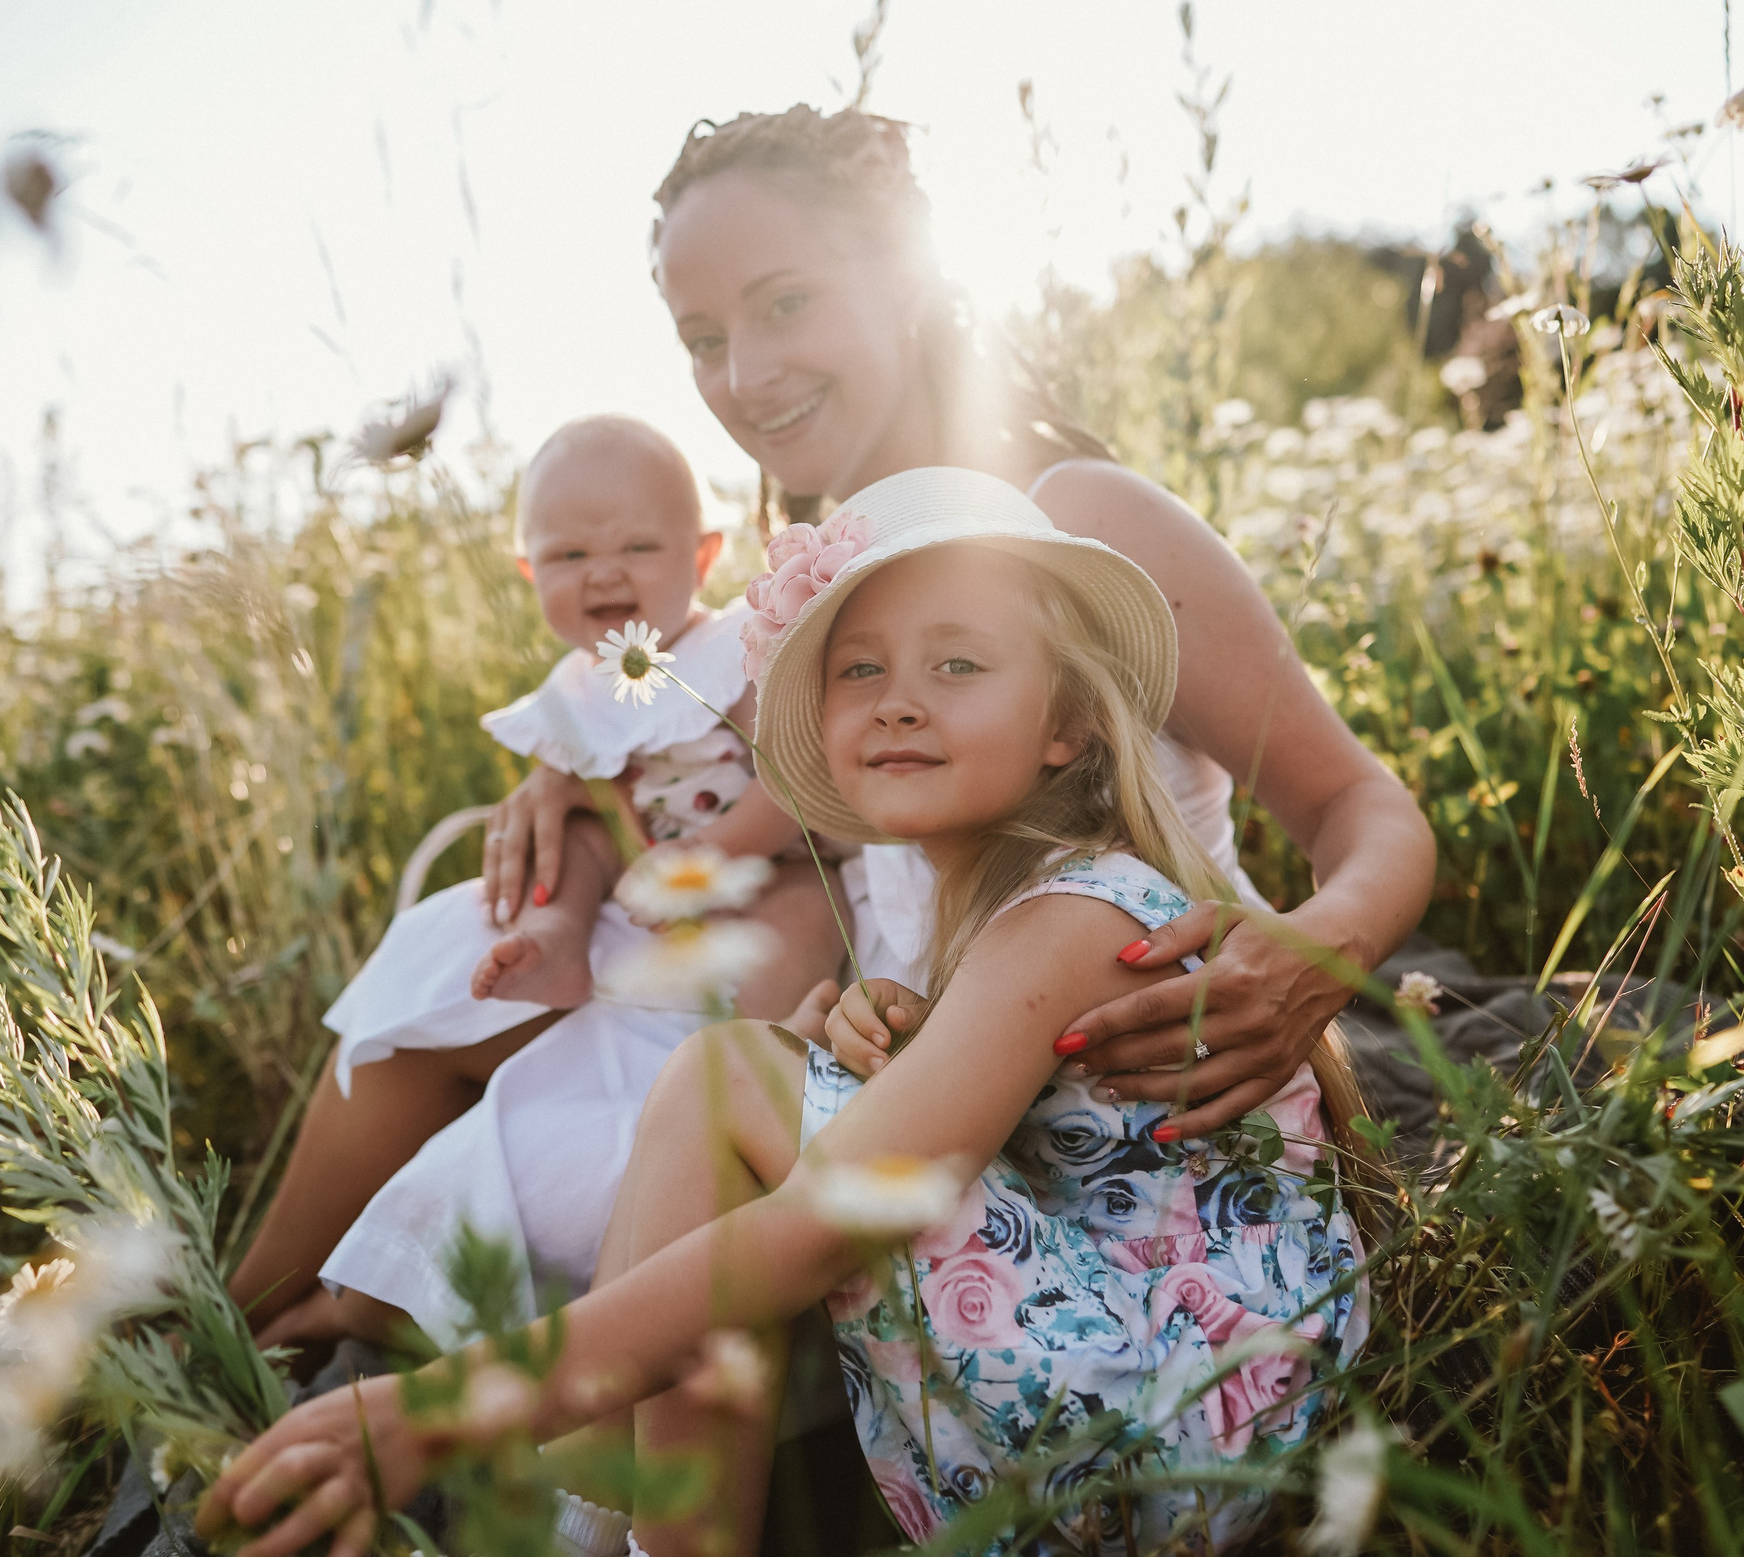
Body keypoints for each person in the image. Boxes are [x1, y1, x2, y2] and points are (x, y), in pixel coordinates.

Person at [200, 468, 1382, 1557]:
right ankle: (611, 1506)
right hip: (1145, 1384)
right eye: (858, 671)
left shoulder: (1068, 918)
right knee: (745, 1077)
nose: (898, 703)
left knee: (726, 1081)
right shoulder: (1021, 916)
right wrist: (870, 1048)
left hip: (1166, 1427)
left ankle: (607, 1508)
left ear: (1065, 721)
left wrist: (442, 1407)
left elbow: (833, 1215)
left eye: (957, 665)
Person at [483, 104, 1436, 1139]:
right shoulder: (819, 584)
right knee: (471, 1031)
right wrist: (572, 777)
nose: (745, 377)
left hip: (1172, 1129)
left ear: (904, 283)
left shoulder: (1076, 521)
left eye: (787, 303)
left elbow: (1355, 802)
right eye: (704, 340)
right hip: (946, 1114)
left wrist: (1315, 953)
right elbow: (764, 813)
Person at [229, 415, 846, 1348]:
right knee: (579, 836)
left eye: (639, 546)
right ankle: (557, 945)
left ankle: (753, 1046)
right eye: (569, 554)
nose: (604, 574)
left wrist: (720, 848)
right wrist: (576, 876)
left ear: (704, 556)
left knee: (785, 927)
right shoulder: (574, 698)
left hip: (772, 874)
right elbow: (589, 822)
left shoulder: (732, 657)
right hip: (645, 903)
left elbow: (801, 777)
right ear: (527, 573)